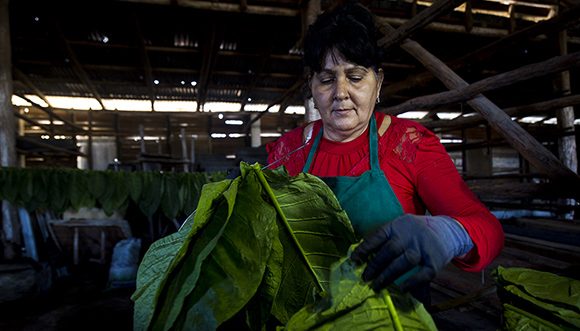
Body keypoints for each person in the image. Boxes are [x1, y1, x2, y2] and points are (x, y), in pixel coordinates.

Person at [265, 1, 504, 305]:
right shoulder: (287, 152)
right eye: (326, 79)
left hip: (392, 318)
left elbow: (489, 229)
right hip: (305, 319)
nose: (340, 92)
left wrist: (447, 233)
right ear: (312, 86)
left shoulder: (410, 144)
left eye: (355, 77)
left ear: (377, 83)